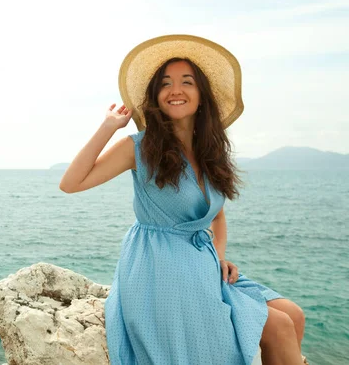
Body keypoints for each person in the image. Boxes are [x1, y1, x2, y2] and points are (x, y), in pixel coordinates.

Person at [59, 35, 307, 365]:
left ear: (202, 95)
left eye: (186, 82)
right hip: (158, 265)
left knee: (294, 314)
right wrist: (108, 127)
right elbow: (70, 183)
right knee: (278, 325)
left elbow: (216, 217)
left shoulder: (211, 152)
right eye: (165, 84)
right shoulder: (139, 147)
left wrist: (218, 256)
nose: (175, 90)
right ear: (156, 97)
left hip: (202, 261)